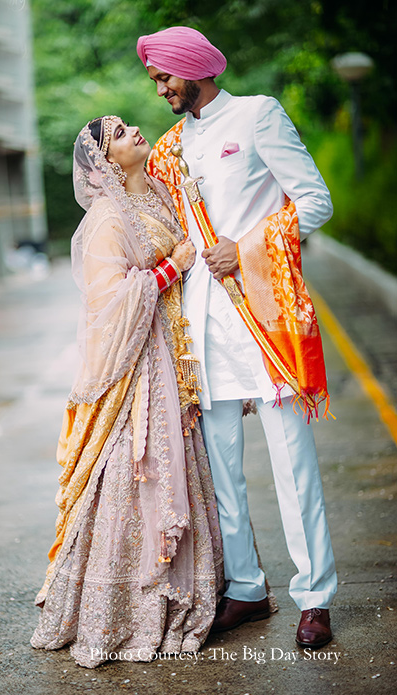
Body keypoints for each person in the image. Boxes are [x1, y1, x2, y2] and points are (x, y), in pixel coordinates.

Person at [137, 26, 337, 649]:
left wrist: (245, 246)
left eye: (167, 76)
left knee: (291, 463)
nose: (162, 88)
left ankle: (315, 596)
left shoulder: (257, 117)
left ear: (197, 68)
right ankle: (247, 588)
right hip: (199, 331)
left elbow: (314, 201)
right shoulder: (169, 147)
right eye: (157, 81)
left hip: (263, 316)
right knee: (220, 468)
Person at [30, 115, 226, 668]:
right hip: (137, 367)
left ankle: (190, 594)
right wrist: (170, 269)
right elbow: (107, 304)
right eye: (117, 133)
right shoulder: (106, 221)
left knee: (181, 465)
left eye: (126, 124)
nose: (134, 131)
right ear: (106, 161)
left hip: (175, 350)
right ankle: (126, 608)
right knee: (138, 469)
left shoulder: (162, 194)